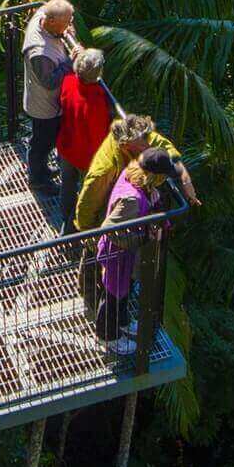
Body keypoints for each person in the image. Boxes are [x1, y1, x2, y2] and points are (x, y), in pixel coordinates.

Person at [92, 147, 178, 354]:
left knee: (123, 290)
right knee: (112, 295)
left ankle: (121, 323)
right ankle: (108, 337)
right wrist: (141, 238)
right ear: (153, 176)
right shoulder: (132, 199)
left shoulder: (132, 176)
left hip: (125, 252)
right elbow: (109, 228)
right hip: (117, 253)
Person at [75, 112, 200, 233]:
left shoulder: (144, 137)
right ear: (126, 146)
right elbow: (89, 201)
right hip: (112, 206)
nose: (149, 146)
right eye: (142, 145)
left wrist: (186, 182)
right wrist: (88, 233)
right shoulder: (106, 169)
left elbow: (171, 154)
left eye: (147, 139)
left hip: (138, 199)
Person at [20, 0, 78, 198]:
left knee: (42, 141)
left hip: (47, 103)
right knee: (42, 143)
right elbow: (50, 81)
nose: (69, 26)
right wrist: (71, 63)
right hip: (44, 107)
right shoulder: (40, 52)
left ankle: (42, 170)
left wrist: (68, 33)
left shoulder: (43, 17)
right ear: (51, 21)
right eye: (66, 23)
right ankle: (38, 181)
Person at [55, 46, 112, 221]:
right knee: (90, 193)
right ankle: (82, 224)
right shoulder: (96, 102)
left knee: (68, 185)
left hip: (67, 145)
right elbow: (98, 135)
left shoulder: (68, 82)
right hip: (87, 156)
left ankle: (65, 216)